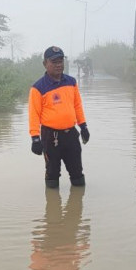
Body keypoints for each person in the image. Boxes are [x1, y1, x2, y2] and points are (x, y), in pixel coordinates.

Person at [29, 46, 90, 188]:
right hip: (50, 137)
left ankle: (77, 205)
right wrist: (35, 138)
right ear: (45, 64)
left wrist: (83, 126)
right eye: (54, 62)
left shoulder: (71, 82)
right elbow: (34, 115)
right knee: (52, 175)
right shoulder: (38, 88)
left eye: (61, 61)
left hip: (71, 135)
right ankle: (52, 207)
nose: (59, 65)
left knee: (77, 175)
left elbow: (77, 106)